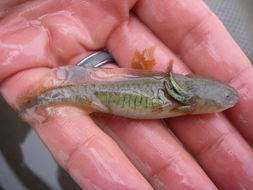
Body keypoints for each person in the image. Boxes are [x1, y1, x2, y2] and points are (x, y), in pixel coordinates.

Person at [1, 0, 253, 189]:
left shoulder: (176, 96)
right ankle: (36, 102)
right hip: (96, 92)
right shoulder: (174, 99)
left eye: (224, 99)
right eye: (222, 100)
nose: (228, 101)